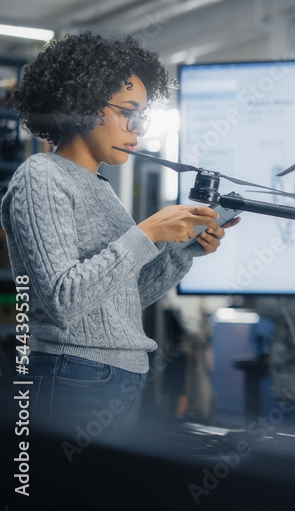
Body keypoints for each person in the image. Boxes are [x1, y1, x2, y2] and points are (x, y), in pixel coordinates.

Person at [2, 32, 240, 440]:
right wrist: (146, 232)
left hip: (115, 375)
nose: (138, 130)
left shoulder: (101, 188)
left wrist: (183, 250)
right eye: (129, 113)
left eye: (142, 117)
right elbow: (64, 300)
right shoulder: (40, 176)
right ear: (83, 105)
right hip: (72, 372)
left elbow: (122, 298)